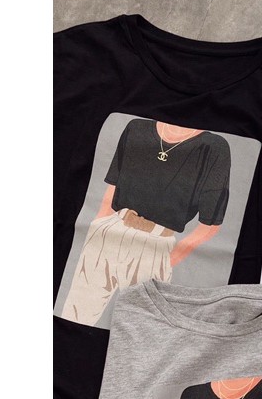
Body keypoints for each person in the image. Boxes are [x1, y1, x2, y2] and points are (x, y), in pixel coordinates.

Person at [62, 119, 231, 326]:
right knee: (73, 319)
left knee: (140, 330)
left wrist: (168, 259)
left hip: (156, 245)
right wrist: (95, 232)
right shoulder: (136, 128)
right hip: (111, 231)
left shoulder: (214, 147)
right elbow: (113, 187)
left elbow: (211, 224)